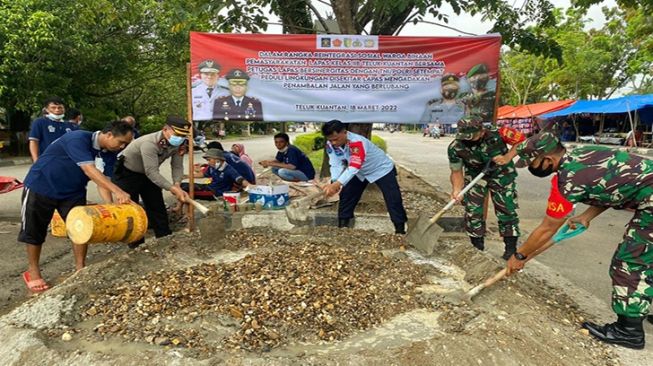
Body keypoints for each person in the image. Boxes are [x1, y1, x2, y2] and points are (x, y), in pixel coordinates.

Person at [499, 131, 653, 350]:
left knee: (631, 262)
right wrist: (586, 216)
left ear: (549, 160)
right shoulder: (584, 154)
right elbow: (612, 186)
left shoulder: (568, 179)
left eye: (532, 162)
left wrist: (519, 255)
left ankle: (628, 332)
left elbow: (547, 229)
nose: (531, 168)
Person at [19, 121, 134, 292]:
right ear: (109, 134)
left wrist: (112, 205)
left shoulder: (109, 152)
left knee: (80, 228)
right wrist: (119, 191)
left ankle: (80, 268)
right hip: (41, 185)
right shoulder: (78, 138)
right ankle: (33, 271)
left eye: (126, 144)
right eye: (121, 142)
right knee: (34, 229)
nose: (122, 147)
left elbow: (103, 181)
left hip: (73, 192)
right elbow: (89, 169)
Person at [112, 116, 192, 248]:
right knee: (132, 209)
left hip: (148, 174)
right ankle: (136, 245)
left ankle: (165, 239)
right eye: (177, 134)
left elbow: (177, 166)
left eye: (183, 135)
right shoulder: (150, 143)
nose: (180, 138)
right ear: (165, 129)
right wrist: (171, 188)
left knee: (157, 205)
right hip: (127, 173)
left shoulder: (180, 144)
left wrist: (177, 184)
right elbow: (152, 172)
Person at [447, 118, 522, 259]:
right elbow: (456, 171)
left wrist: (507, 157)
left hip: (501, 174)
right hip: (475, 176)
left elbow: (522, 141)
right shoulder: (455, 148)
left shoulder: (499, 132)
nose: (467, 140)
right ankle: (477, 250)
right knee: (473, 212)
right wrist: (457, 190)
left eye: (471, 136)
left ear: (482, 131)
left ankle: (510, 251)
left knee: (506, 209)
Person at [321, 120, 408, 234]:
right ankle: (343, 228)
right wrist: (334, 181)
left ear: (344, 132)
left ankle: (400, 230)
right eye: (330, 140)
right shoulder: (331, 145)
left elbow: (354, 166)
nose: (333, 143)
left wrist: (337, 184)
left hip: (381, 169)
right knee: (347, 195)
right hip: (360, 171)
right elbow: (335, 163)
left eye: (336, 139)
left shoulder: (357, 142)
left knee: (393, 198)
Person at [28, 96, 76, 161]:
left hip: (67, 161)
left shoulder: (70, 125)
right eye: (53, 107)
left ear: (64, 109)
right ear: (47, 109)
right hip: (47, 160)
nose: (57, 110)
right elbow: (33, 141)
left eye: (60, 107)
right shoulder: (40, 122)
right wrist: (36, 160)